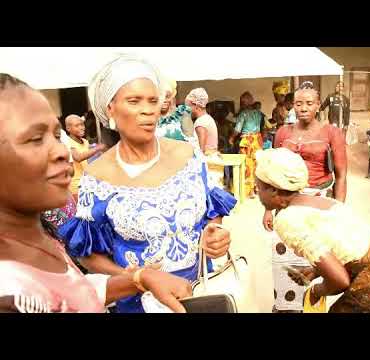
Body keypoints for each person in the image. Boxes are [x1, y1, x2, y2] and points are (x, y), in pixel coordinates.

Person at [0, 73, 193, 313]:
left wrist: (138, 279)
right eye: (36, 139)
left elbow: (71, 292)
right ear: (110, 109)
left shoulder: (37, 239)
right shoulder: (9, 293)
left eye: (57, 136)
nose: (62, 152)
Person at [58, 56, 236, 313]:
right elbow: (86, 253)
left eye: (153, 100)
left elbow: (213, 211)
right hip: (139, 303)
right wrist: (135, 278)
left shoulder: (189, 155)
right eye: (134, 101)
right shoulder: (96, 177)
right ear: (111, 109)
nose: (148, 110)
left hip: (198, 293)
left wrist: (215, 233)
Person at [255, 148, 370, 313]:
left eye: (260, 187)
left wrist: (316, 291)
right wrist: (317, 271)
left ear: (273, 190)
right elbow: (349, 247)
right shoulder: (323, 202)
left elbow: (339, 280)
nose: (257, 191)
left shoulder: (287, 220)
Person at [263, 81, 348, 313]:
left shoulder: (332, 132)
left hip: (318, 205)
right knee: (283, 260)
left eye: (309, 103)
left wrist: (338, 211)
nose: (303, 108)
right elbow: (272, 173)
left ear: (318, 105)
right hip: (286, 206)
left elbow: (341, 175)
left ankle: (310, 306)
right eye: (298, 103)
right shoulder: (283, 132)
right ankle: (284, 306)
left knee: (316, 259)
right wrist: (268, 209)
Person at [228, 91, 264, 198]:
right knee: (256, 164)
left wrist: (231, 138)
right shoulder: (258, 113)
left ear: (243, 103)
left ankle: (248, 191)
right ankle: (256, 189)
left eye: (241, 102)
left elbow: (237, 129)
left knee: (247, 166)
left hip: (247, 141)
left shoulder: (243, 114)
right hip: (257, 140)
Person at [185, 88, 224, 187]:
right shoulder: (208, 118)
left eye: (188, 106)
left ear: (196, 106)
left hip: (208, 162)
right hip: (214, 158)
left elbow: (200, 150)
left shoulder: (200, 123)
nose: (187, 110)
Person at [64, 114, 106, 201]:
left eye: (82, 124)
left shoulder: (85, 141)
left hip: (86, 182)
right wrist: (97, 148)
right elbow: (78, 158)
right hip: (75, 185)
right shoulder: (68, 142)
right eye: (77, 126)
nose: (81, 127)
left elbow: (88, 159)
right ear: (68, 129)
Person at [155, 78, 196, 144]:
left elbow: (192, 143)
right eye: (160, 96)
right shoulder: (150, 117)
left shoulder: (181, 114)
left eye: (167, 96)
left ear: (172, 96)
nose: (164, 100)